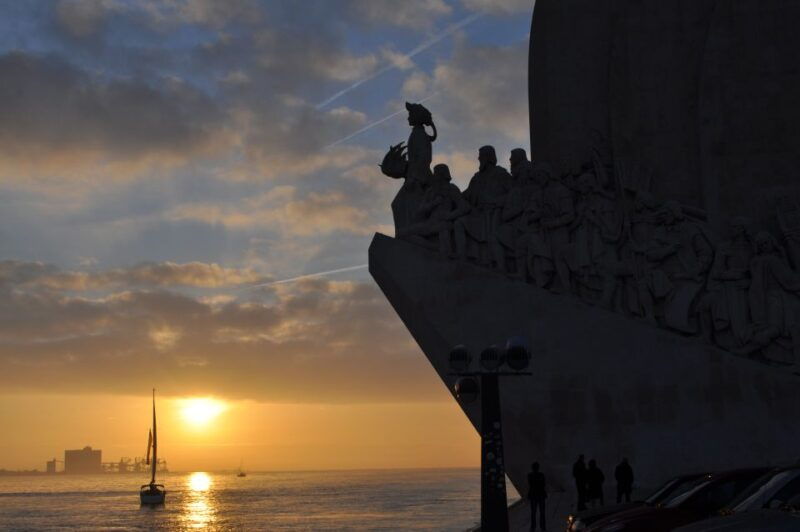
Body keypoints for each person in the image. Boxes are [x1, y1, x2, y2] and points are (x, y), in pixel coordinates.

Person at [527, 462, 547, 531]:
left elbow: (531, 484)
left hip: (533, 496)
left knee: (533, 512)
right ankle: (543, 527)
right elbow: (543, 484)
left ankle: (533, 527)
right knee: (542, 512)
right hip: (541, 495)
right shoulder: (541, 475)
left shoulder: (530, 475)